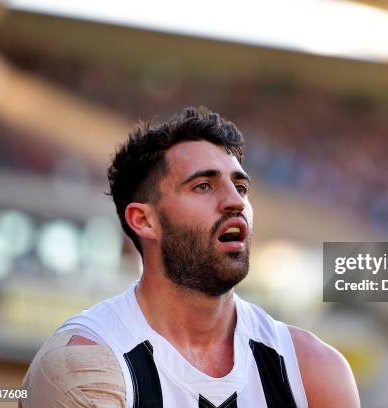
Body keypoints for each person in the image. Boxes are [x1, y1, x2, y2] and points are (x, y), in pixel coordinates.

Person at [20, 106, 360, 407]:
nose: (236, 202)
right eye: (203, 186)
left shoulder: (314, 370)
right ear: (144, 220)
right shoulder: (83, 365)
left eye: (241, 187)